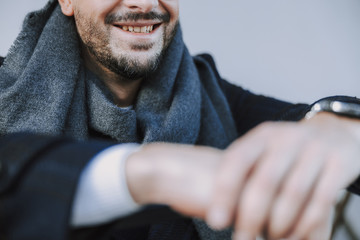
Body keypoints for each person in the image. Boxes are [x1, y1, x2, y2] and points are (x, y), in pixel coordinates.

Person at [0, 0, 360, 239]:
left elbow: (302, 120)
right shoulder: (7, 93)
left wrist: (342, 128)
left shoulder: (211, 97)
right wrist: (148, 173)